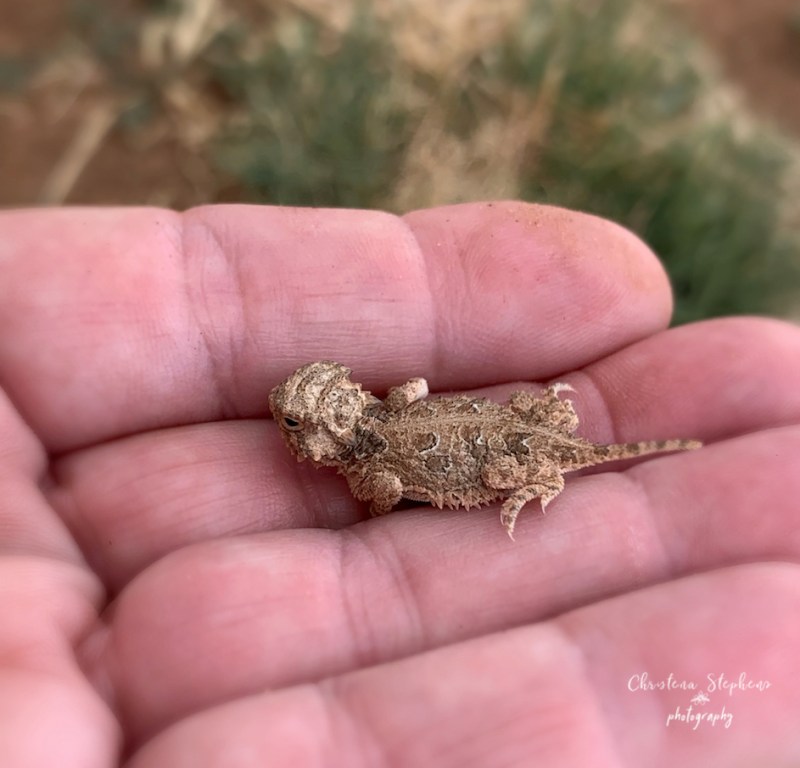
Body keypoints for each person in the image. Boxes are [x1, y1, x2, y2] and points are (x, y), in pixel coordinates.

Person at [0, 200, 798, 767]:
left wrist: (493, 480)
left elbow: (383, 499)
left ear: (330, 424)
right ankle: (556, 439)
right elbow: (414, 387)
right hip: (508, 422)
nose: (288, 429)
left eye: (296, 420)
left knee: (531, 463)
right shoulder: (388, 408)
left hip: (506, 453)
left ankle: (549, 472)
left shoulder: (370, 466)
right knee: (521, 432)